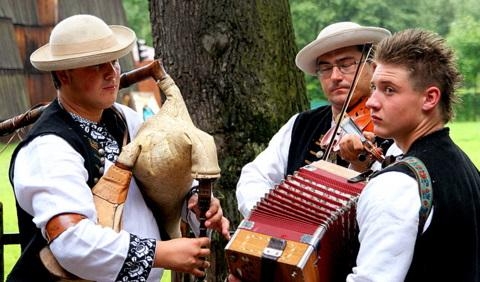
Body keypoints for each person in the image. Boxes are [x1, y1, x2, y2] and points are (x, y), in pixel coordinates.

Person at [8, 14, 230, 282]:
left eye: (112, 61)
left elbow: (162, 177)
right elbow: (72, 241)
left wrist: (193, 201)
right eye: (95, 65)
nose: (111, 72)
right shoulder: (48, 148)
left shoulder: (126, 119)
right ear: (64, 74)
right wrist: (158, 254)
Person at [347, 28, 480, 281]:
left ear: (429, 98)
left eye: (389, 90)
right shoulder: (466, 167)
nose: (372, 101)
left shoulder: (396, 184)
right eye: (374, 87)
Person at [236, 22, 395, 218]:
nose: (335, 76)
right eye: (325, 68)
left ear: (372, 68)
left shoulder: (394, 128)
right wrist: (275, 219)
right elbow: (254, 176)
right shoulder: (300, 124)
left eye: (346, 64)